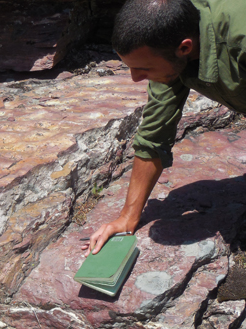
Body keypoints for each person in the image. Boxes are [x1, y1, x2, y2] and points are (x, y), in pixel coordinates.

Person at [83, 0, 246, 255]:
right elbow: (155, 132)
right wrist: (127, 217)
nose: (134, 78)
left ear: (185, 47)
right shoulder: (170, 42)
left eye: (142, 69)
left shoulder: (239, 38)